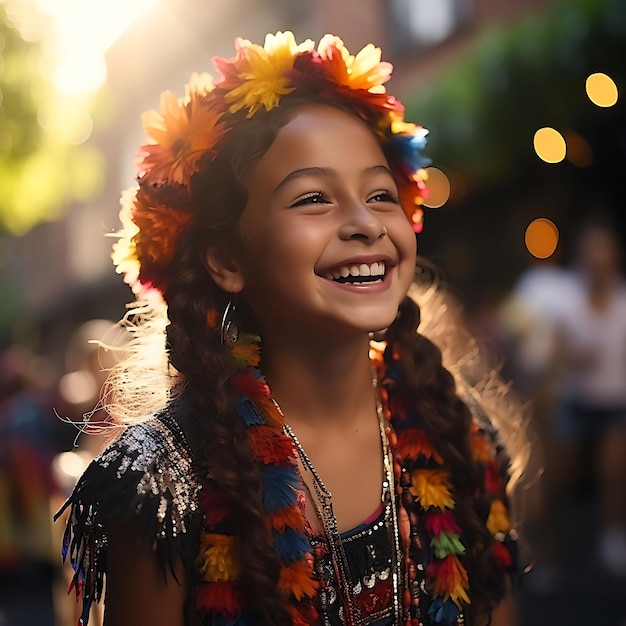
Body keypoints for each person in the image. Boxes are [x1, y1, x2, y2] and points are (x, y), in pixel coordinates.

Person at [56, 32, 527, 626]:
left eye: (380, 194)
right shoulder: (162, 487)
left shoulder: (458, 434)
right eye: (313, 198)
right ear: (227, 261)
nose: (364, 224)